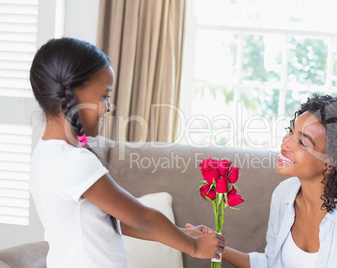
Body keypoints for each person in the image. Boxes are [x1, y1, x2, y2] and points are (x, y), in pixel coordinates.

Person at [29, 37, 225, 267]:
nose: (109, 107)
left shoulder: (47, 154)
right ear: (72, 93)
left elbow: (117, 219)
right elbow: (143, 218)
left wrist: (182, 234)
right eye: (104, 95)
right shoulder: (73, 162)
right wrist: (194, 247)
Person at [188, 94, 337, 267]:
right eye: (290, 131)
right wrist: (215, 246)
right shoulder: (284, 194)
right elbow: (271, 262)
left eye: (303, 142)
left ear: (333, 162)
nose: (285, 144)